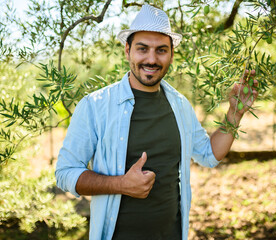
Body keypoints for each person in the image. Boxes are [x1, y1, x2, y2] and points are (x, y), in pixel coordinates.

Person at [55, 4, 258, 240]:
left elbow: (209, 154)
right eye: (142, 49)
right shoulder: (95, 106)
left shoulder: (180, 105)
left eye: (161, 50)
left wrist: (235, 113)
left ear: (171, 54)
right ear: (127, 50)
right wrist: (121, 184)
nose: (151, 59)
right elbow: (65, 173)